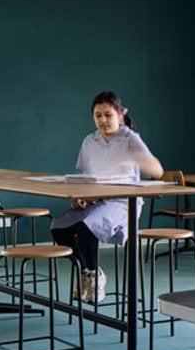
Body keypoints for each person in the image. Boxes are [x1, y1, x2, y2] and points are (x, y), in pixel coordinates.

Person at [49, 91, 164, 303]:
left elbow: (157, 171)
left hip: (123, 203)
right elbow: (87, 177)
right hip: (97, 200)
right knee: (59, 229)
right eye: (98, 115)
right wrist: (80, 197)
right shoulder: (89, 141)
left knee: (86, 227)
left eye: (108, 115)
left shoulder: (130, 138)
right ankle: (89, 272)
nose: (103, 120)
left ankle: (92, 277)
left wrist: (138, 160)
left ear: (120, 115)